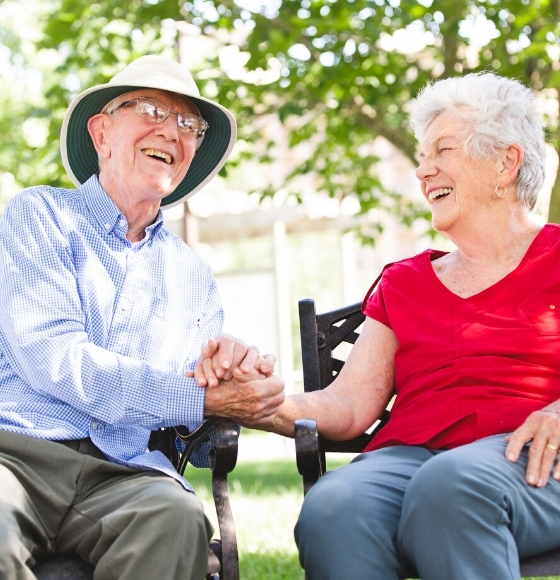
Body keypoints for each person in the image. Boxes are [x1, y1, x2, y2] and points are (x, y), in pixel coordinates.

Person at [196, 71, 560, 579]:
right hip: (414, 461)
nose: (422, 170)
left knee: (452, 486)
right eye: (422, 156)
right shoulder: (406, 282)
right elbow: (348, 406)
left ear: (506, 162)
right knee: (334, 508)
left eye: (443, 151)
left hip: (534, 456)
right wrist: (260, 399)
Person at [0, 55, 284, 580]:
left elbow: (191, 435)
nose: (172, 131)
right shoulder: (40, 216)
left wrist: (227, 373)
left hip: (124, 472)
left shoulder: (192, 276)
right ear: (101, 132)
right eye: (152, 108)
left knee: (175, 517)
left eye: (189, 124)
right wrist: (198, 396)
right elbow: (54, 359)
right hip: (19, 454)